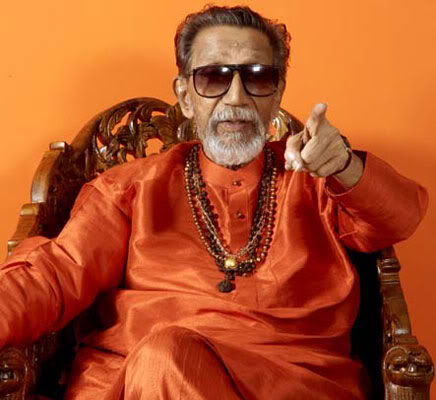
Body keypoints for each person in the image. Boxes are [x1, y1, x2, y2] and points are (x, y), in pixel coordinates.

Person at [0, 5, 428, 400]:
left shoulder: (316, 182)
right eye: (213, 77)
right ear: (186, 96)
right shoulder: (131, 188)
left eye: (257, 77)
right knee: (164, 356)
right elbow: (52, 276)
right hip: (142, 382)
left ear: (277, 94)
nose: (236, 98)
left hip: (294, 383)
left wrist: (344, 166)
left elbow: (401, 217)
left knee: (165, 355)